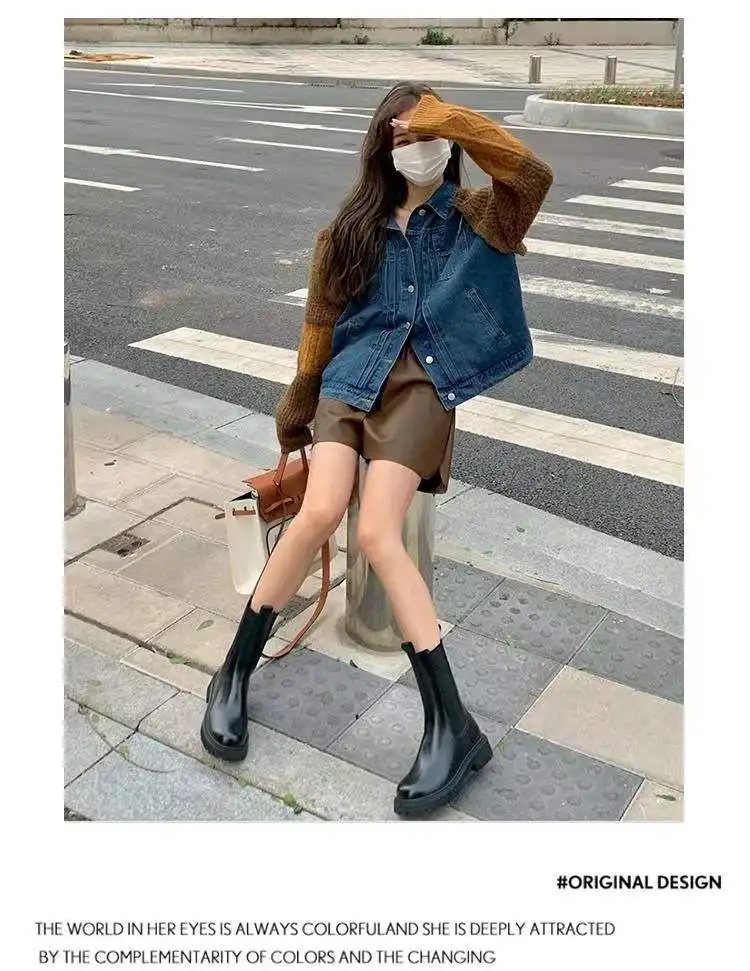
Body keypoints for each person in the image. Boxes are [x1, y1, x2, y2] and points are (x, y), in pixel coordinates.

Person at [200, 81, 554, 817]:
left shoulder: (479, 216)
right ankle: (231, 674)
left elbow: (530, 175)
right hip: (348, 379)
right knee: (318, 512)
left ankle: (452, 726)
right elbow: (319, 328)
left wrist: (444, 117)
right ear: (379, 147)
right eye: (400, 135)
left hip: (423, 385)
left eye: (428, 134)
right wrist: (295, 415)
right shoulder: (350, 230)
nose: (415, 145)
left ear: (449, 141)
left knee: (376, 533)